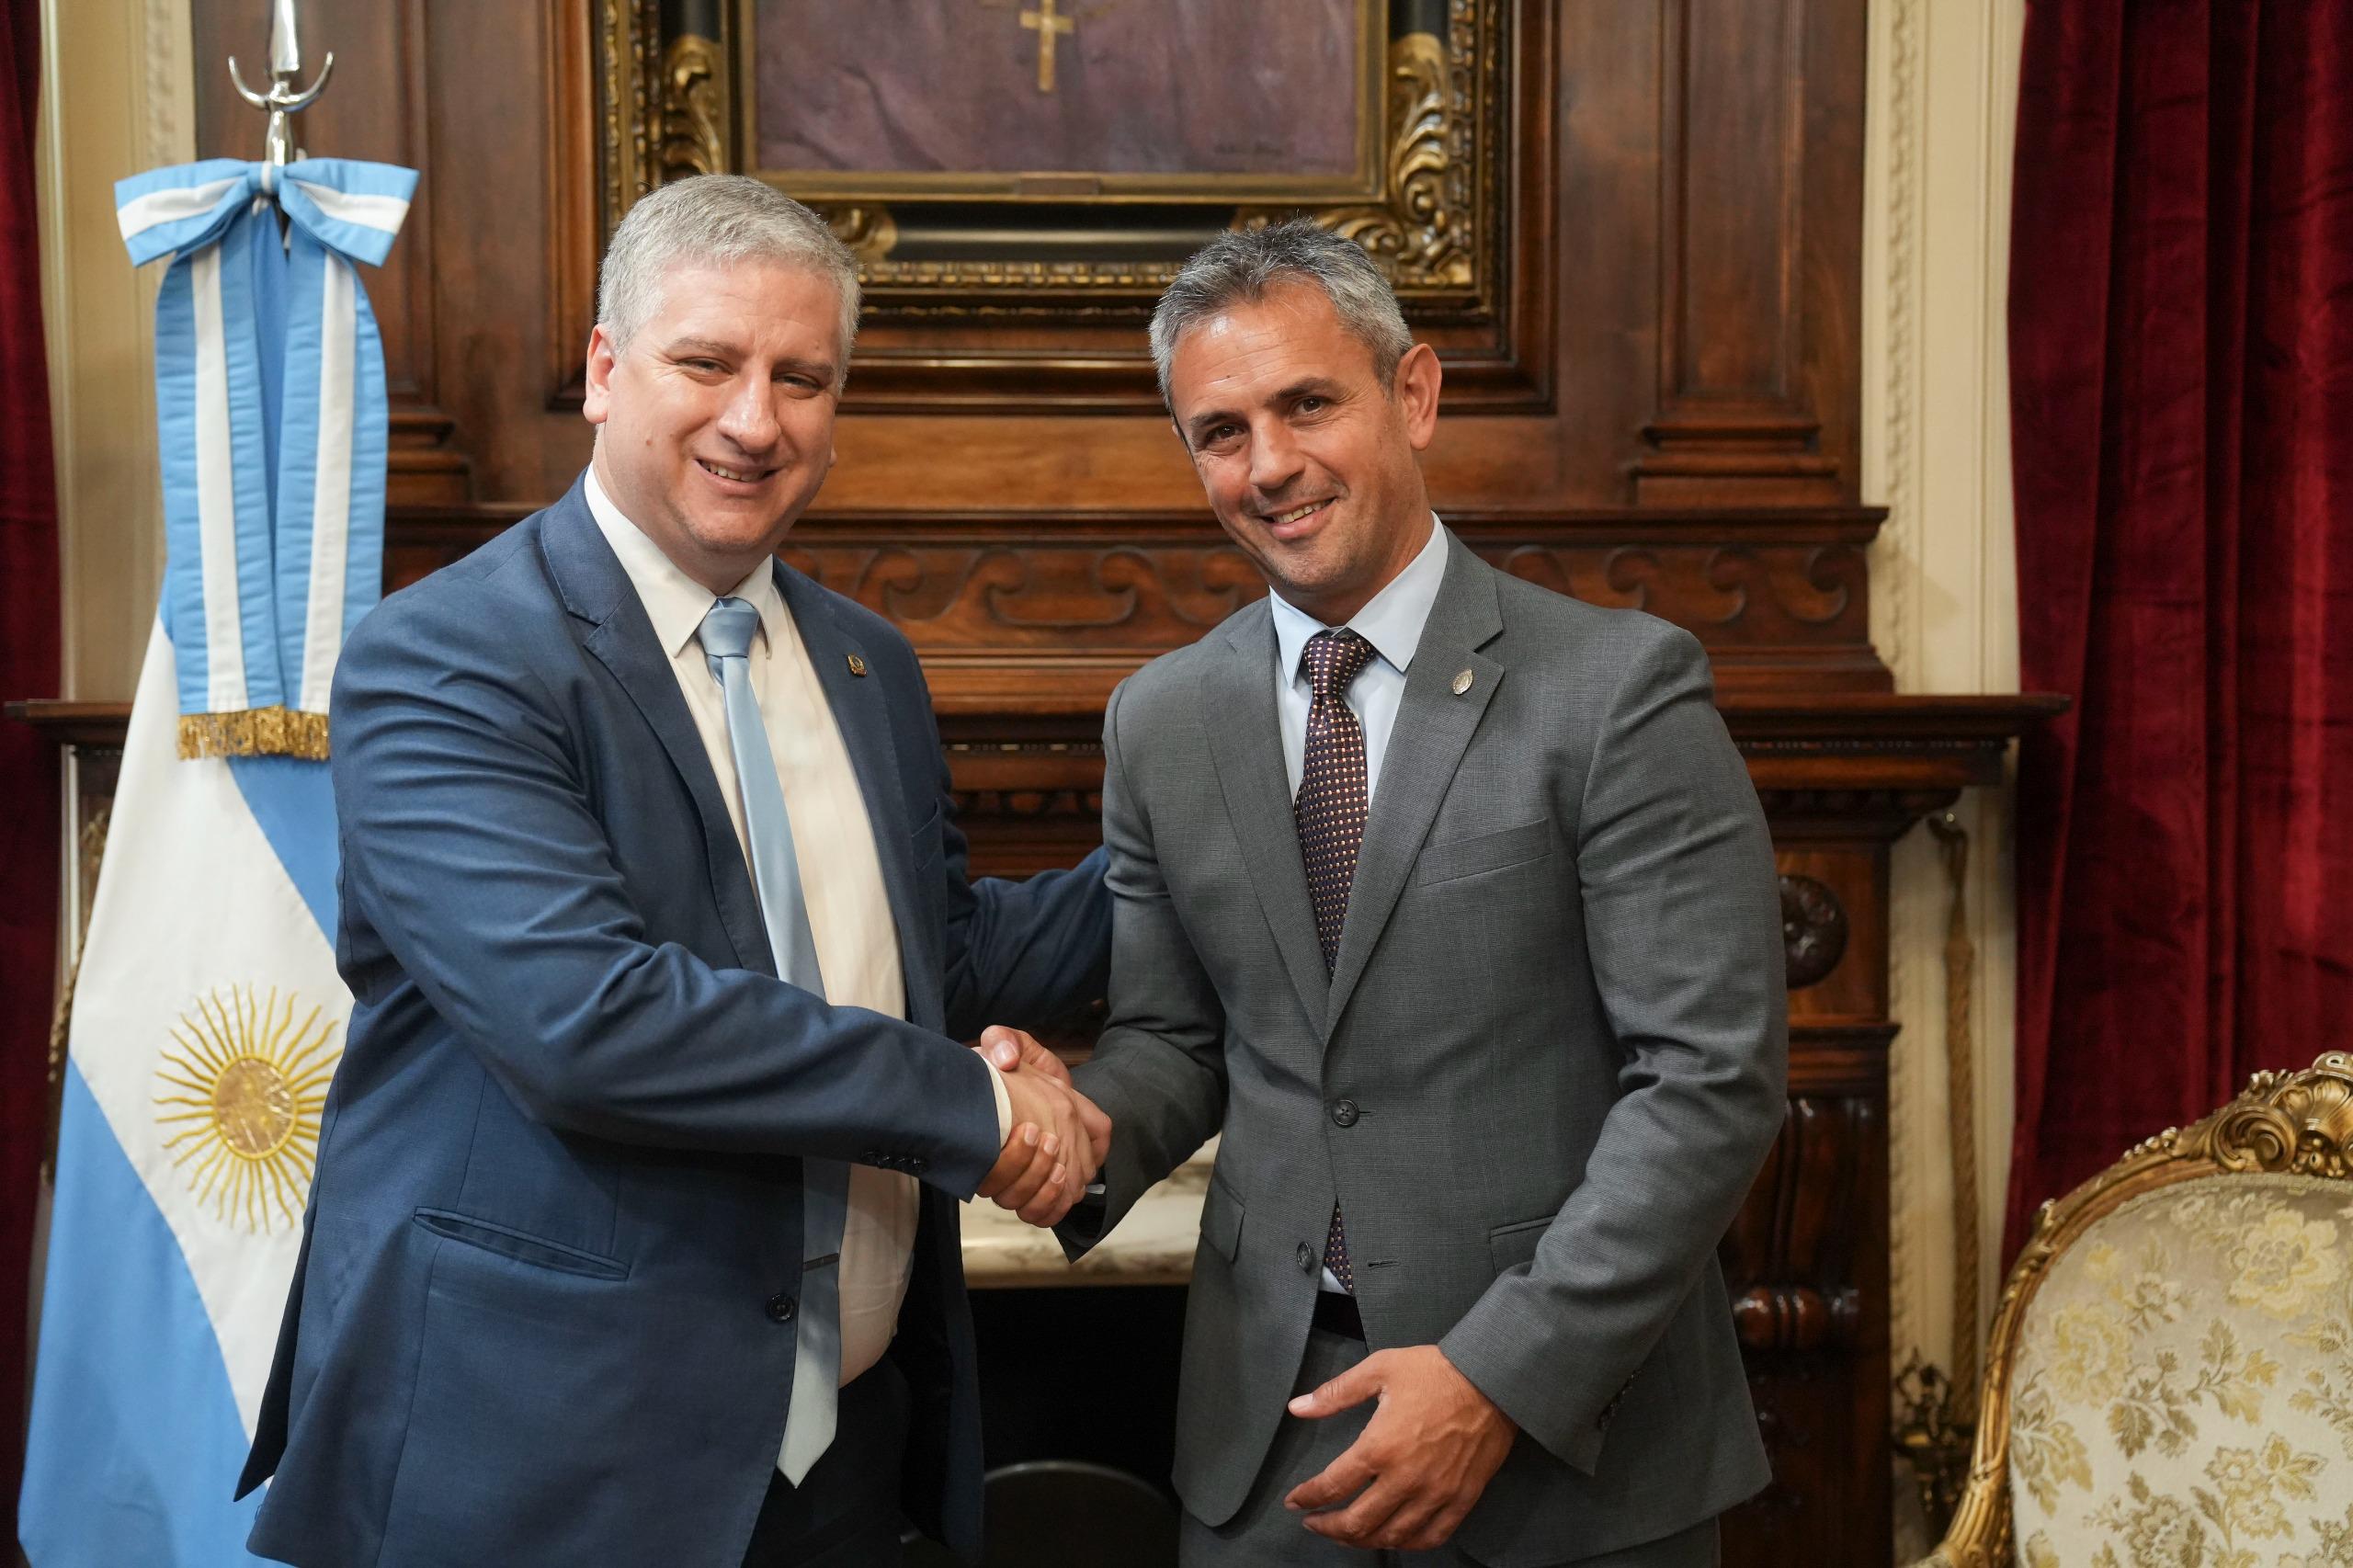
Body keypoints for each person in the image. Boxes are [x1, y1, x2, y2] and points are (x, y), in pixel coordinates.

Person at [237, 175, 1109, 1568]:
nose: (755, 421)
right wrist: (975, 1099)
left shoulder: (867, 663)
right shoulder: (451, 657)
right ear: (603, 369)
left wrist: (1246, 818)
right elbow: (594, 1019)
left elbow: (933, 952)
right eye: (707, 361)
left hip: (848, 1456)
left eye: (802, 377)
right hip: (542, 1461)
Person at [1032, 221, 1789, 1565]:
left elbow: (1709, 1081)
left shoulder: (1617, 688)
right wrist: (1057, 1125)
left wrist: (1498, 1373)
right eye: (1220, 430)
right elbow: (1175, 1045)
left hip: (1571, 1443)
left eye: (1307, 403)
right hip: (1272, 1444)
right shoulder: (1159, 718)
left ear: (1415, 394)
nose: (1269, 466)